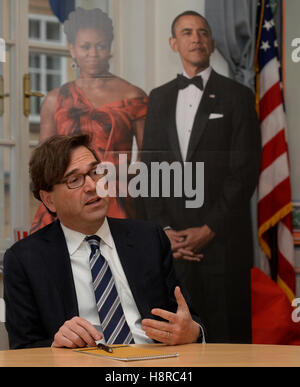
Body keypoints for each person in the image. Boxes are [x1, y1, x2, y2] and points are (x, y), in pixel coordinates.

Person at [3, 134, 203, 349]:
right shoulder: (25, 259)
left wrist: (193, 332)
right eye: (74, 180)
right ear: (49, 200)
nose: (91, 185)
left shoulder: (148, 239)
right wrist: (55, 346)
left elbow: (185, 318)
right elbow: (23, 347)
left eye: (95, 172)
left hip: (154, 364)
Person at [139, 11, 261, 343]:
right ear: (173, 43)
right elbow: (149, 169)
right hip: (173, 248)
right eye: (187, 32)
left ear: (213, 42)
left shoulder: (238, 96)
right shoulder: (159, 97)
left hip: (223, 242)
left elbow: (245, 170)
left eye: (203, 32)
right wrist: (166, 232)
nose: (196, 38)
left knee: (227, 339)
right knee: (172, 339)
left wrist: (209, 229)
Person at [31, 7, 147, 233]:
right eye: (85, 46)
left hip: (118, 200)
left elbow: (149, 159)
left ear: (110, 49)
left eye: (100, 46)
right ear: (72, 50)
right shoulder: (55, 100)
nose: (93, 53)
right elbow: (43, 164)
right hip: (67, 200)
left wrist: (118, 178)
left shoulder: (134, 95)